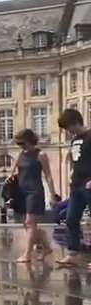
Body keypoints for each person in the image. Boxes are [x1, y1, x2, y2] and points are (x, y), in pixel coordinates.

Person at [12, 128, 58, 262]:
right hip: (21, 192)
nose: (21, 146)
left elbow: (48, 176)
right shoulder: (21, 155)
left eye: (23, 143)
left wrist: (53, 194)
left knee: (29, 223)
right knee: (27, 225)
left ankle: (27, 254)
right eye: (19, 144)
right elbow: (15, 174)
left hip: (34, 191)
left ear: (30, 140)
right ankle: (47, 247)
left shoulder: (41, 155)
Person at [58, 108, 91, 266]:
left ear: (75, 123)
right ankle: (73, 254)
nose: (68, 131)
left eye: (68, 127)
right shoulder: (74, 140)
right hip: (76, 185)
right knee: (71, 219)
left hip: (89, 184)